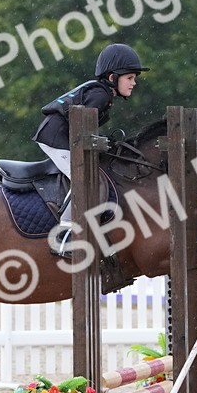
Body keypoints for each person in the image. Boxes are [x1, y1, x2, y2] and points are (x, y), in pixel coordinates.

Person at [34, 43, 147, 256]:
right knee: (84, 180)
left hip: (59, 135)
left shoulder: (102, 93)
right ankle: (64, 235)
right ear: (113, 78)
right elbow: (80, 125)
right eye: (130, 78)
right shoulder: (101, 95)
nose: (134, 83)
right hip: (55, 137)